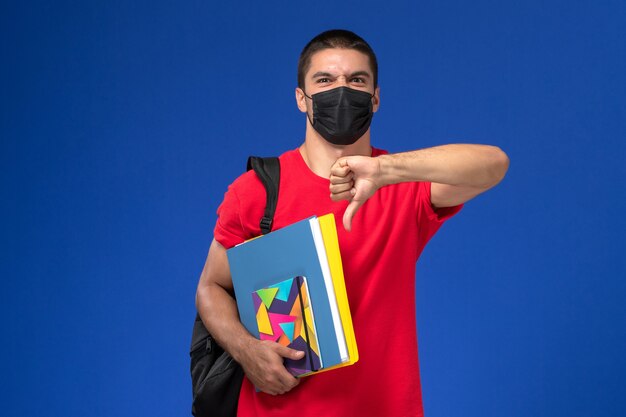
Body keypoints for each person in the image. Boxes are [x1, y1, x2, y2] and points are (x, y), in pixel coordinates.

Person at [195, 29, 509, 417]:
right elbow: (211, 287)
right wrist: (247, 351)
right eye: (324, 80)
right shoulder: (258, 190)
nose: (340, 91)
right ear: (301, 98)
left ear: (375, 98)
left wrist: (384, 169)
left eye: (356, 80)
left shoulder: (402, 187)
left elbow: (493, 164)